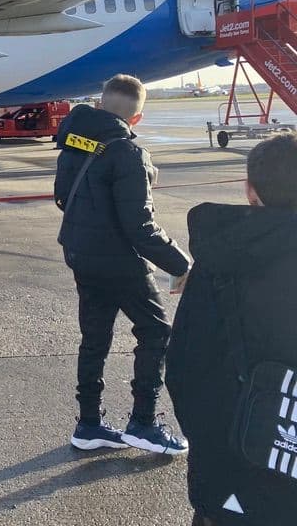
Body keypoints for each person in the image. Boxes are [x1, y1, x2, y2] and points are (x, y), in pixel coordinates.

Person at [54, 74, 190, 455]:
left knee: (94, 339)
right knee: (156, 333)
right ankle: (143, 424)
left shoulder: (75, 144)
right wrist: (181, 265)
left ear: (100, 105)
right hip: (117, 261)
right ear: (137, 118)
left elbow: (62, 197)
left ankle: (89, 424)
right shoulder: (128, 154)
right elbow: (140, 227)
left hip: (81, 254)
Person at [166, 133, 297, 524]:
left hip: (235, 464)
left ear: (249, 190)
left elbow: (185, 369)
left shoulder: (220, 261)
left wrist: (214, 448)